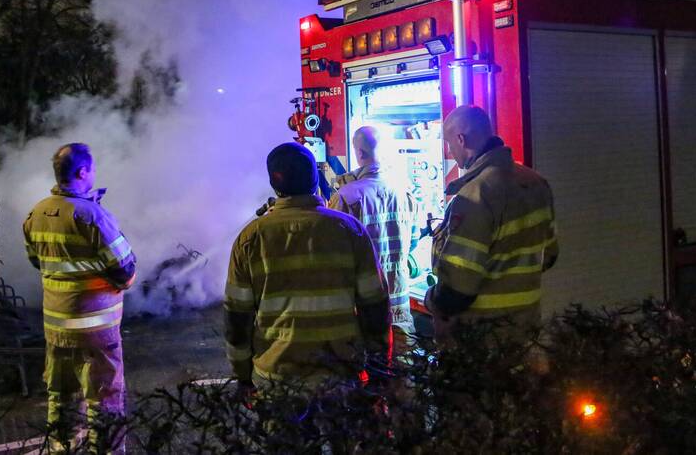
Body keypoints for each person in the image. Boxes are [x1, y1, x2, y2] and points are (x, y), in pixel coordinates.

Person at [224, 142, 392, 392]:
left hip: (275, 382)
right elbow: (375, 307)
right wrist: (379, 371)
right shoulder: (351, 231)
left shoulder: (250, 239)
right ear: (315, 179)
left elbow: (237, 318)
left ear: (274, 184)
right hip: (341, 380)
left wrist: (243, 377)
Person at [23, 143, 137, 453]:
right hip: (95, 332)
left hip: (56, 330)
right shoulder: (92, 215)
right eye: (93, 169)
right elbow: (125, 269)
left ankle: (60, 449)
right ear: (83, 172)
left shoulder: (36, 213)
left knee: (61, 399)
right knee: (104, 400)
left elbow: (37, 261)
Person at [426, 106, 558, 343]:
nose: (450, 151)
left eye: (449, 144)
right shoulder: (536, 182)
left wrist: (432, 301)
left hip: (481, 335)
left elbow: (458, 285)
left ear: (461, 140)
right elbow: (549, 256)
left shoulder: (475, 195)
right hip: (526, 326)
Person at [328, 126, 419, 347]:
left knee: (370, 364)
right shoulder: (405, 191)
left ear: (359, 152)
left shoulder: (345, 197)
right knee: (403, 363)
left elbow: (335, 258)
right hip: (399, 307)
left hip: (364, 309)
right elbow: (414, 242)